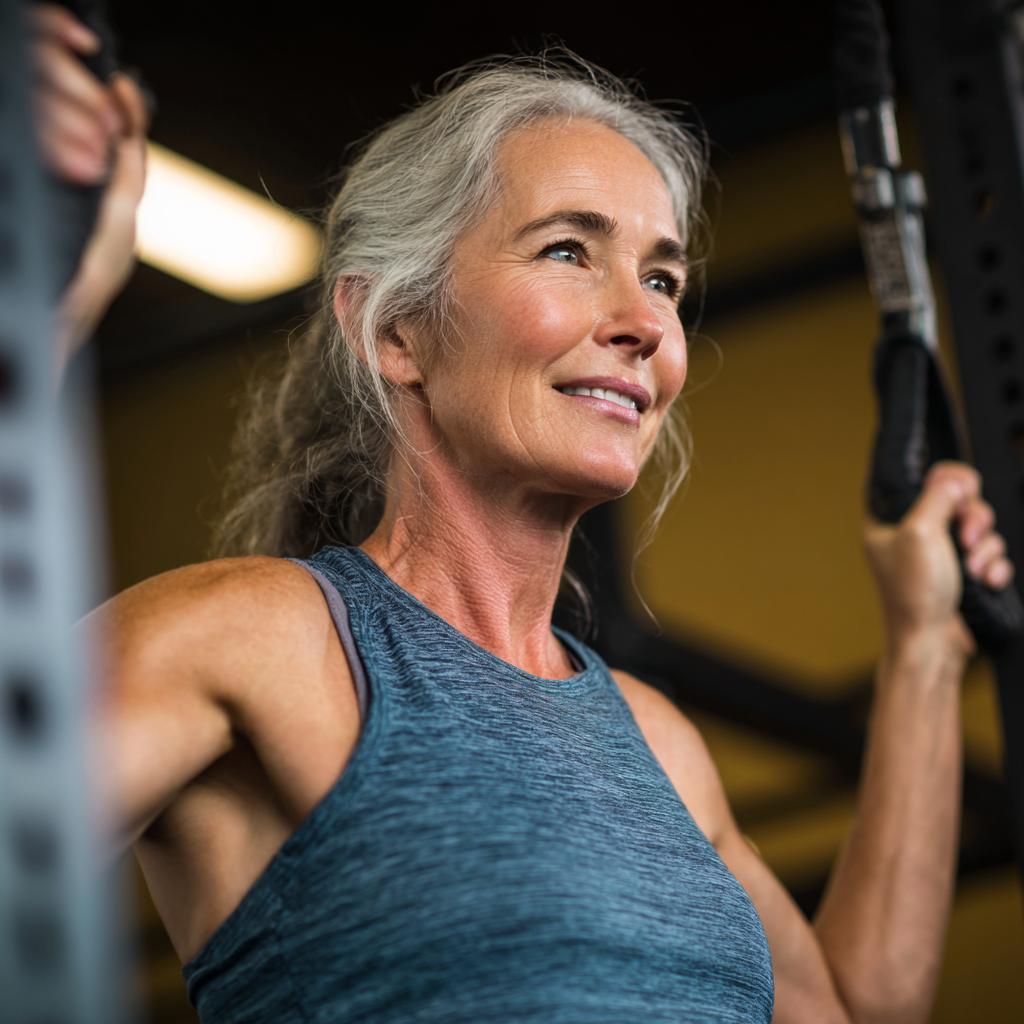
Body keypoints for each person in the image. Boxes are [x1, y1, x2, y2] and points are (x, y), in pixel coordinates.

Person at [33, 6, 1016, 1022]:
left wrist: (922, 648)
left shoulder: (656, 742)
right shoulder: (258, 640)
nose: (645, 323)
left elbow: (849, 1011)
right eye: (565, 251)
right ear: (396, 329)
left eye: (664, 277)